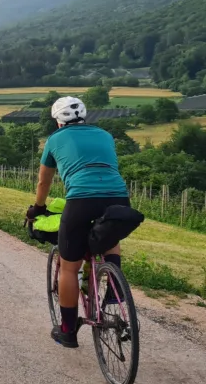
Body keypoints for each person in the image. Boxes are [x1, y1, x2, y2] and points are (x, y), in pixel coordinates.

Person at [26, 96, 130, 348]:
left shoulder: (55, 139)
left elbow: (44, 182)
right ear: (84, 116)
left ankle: (67, 331)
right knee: (109, 238)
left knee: (69, 267)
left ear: (58, 120)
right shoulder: (105, 135)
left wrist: (38, 207)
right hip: (118, 197)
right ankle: (114, 291)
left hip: (81, 200)